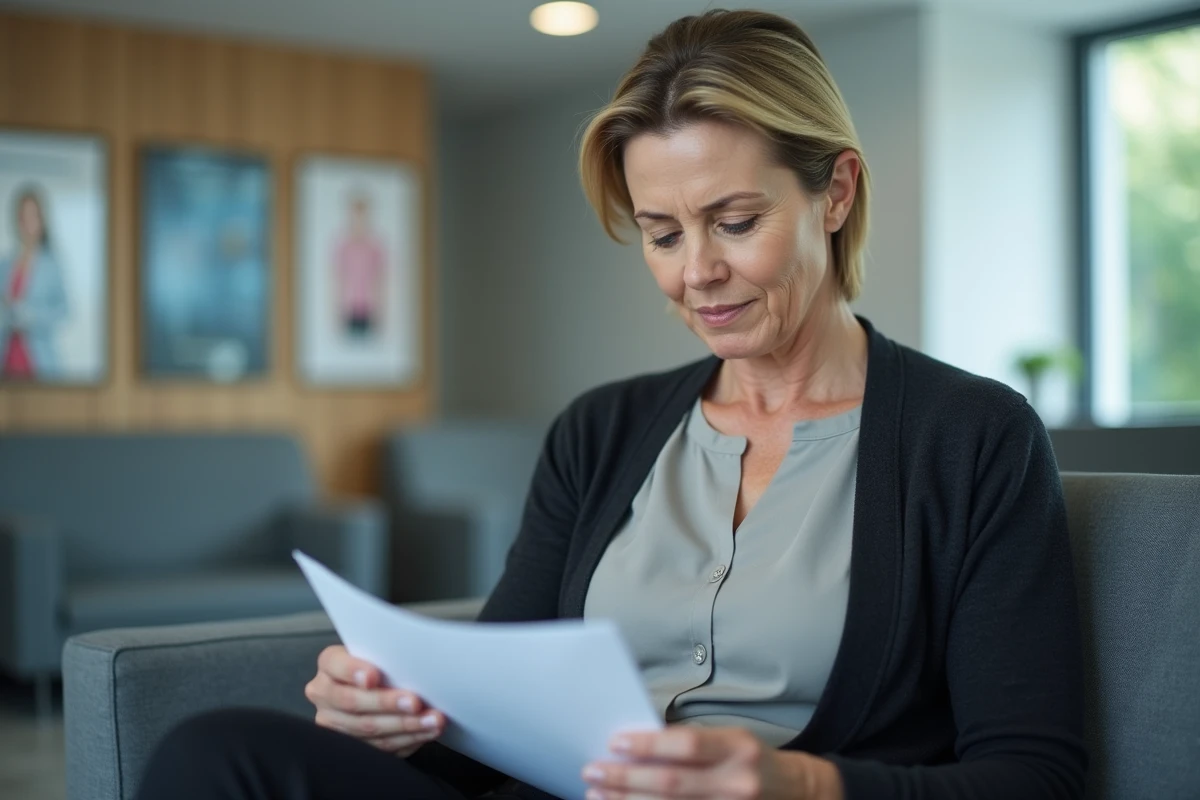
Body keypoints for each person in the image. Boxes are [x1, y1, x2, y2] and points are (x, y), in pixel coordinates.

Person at [136, 9, 1085, 800]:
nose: (697, 274)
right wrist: (397, 712)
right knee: (212, 752)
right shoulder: (601, 432)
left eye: (736, 222)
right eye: (662, 234)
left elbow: (1034, 775)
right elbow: (492, 704)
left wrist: (798, 784)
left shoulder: (974, 439)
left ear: (835, 192)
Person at [0, 186, 69, 381]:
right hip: (7, 356)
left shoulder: (51, 265)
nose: (27, 224)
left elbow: (65, 311)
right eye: (23, 217)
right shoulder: (5, 264)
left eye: (32, 217)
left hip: (39, 360)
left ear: (41, 220)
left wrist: (30, 316)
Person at [333, 191, 386, 339]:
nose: (359, 220)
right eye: (355, 215)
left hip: (370, 308)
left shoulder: (375, 247)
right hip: (348, 307)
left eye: (362, 216)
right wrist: (336, 310)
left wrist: (381, 311)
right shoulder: (343, 246)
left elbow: (381, 280)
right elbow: (337, 280)